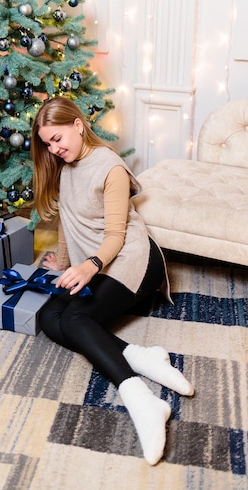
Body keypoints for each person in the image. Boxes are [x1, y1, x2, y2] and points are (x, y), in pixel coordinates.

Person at [31, 96, 194, 466]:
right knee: (48, 317)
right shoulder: (66, 166)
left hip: (133, 260)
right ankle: (141, 357)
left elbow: (116, 237)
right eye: (48, 144)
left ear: (77, 124)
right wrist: (65, 263)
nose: (55, 150)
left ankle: (141, 399)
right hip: (96, 263)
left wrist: (88, 266)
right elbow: (67, 221)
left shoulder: (110, 167)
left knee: (75, 319)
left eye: (58, 139)